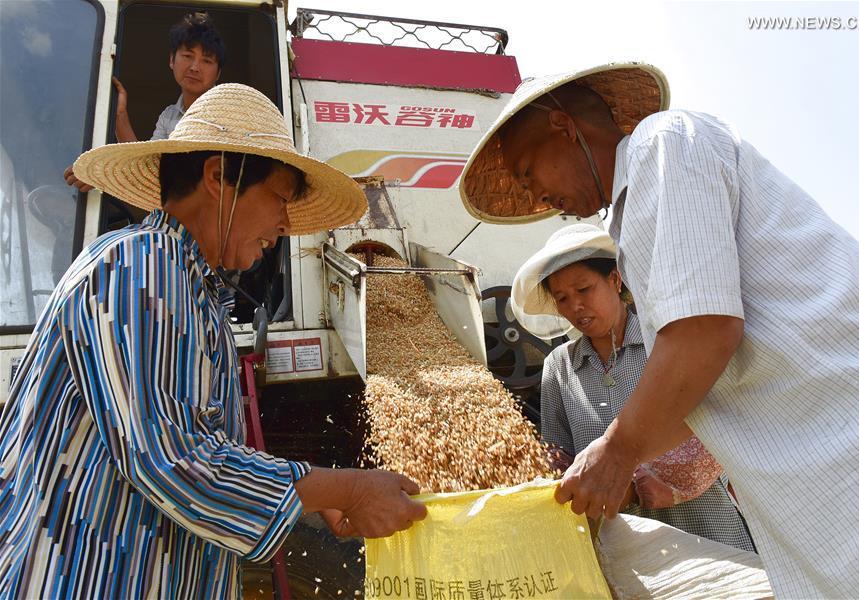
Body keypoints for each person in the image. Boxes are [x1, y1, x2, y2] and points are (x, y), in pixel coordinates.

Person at [460, 64, 859, 598]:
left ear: (563, 126)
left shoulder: (663, 143)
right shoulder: (627, 226)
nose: (540, 196)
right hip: (827, 494)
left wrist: (618, 451)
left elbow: (703, 331)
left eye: (529, 172)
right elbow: (699, 398)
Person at [0, 83, 425, 598]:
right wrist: (349, 488)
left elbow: (201, 446)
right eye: (281, 199)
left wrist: (313, 495)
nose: (284, 226)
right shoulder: (140, 266)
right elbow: (176, 459)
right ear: (219, 177)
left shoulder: (191, 289)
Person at [512, 223, 755, 553]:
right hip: (622, 542)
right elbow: (558, 451)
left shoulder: (666, 343)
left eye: (583, 289)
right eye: (562, 298)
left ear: (615, 280)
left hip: (703, 527)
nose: (575, 306)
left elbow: (716, 425)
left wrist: (642, 483)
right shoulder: (559, 365)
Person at [63, 12, 223, 191]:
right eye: (187, 56)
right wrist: (120, 115)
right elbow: (147, 169)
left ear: (218, 73)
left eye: (206, 60)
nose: (194, 67)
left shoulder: (226, 115)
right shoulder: (169, 116)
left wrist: (107, 175)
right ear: (172, 60)